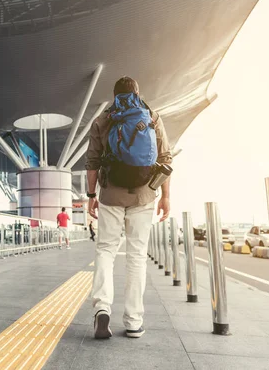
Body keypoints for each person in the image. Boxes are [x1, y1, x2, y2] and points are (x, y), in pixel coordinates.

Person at [85, 76, 172, 339]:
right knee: (136, 256)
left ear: (115, 95)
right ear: (137, 92)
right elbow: (165, 159)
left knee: (105, 251)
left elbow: (92, 163)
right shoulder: (153, 117)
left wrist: (91, 195)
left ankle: (102, 308)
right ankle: (134, 321)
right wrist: (166, 196)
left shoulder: (102, 120)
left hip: (111, 194)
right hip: (144, 195)